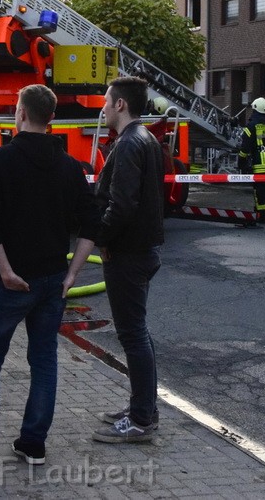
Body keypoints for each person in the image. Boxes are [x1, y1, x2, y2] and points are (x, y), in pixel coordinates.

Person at [0, 85, 100, 472]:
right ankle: (33, 444)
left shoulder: (0, 161)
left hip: (11, 281)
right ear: (52, 118)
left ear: (20, 113)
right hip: (52, 281)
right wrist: (71, 275)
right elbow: (92, 224)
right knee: (44, 361)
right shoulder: (70, 167)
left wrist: (4, 271)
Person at [91, 77, 165, 445]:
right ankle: (144, 409)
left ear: (121, 105)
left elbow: (121, 205)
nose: (103, 107)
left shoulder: (128, 144)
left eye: (107, 101)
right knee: (139, 333)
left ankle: (140, 421)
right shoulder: (146, 139)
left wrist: (101, 240)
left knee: (133, 334)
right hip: (143, 249)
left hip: (128, 254)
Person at [238, 97, 265, 224]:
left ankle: (262, 215)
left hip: (259, 164)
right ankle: (260, 211)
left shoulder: (251, 127)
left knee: (258, 191)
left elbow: (245, 148)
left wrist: (241, 163)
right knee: (263, 190)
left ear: (255, 109)